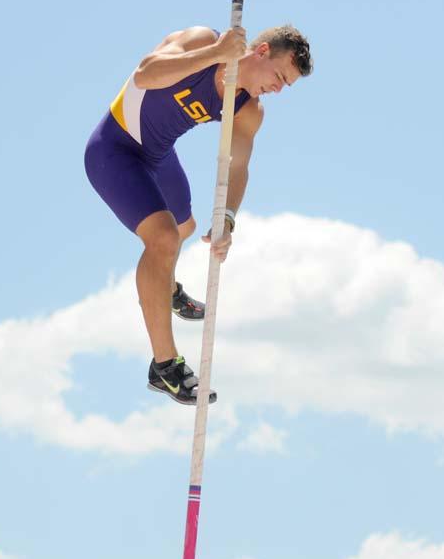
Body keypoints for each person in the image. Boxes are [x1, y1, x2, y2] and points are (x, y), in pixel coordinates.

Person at [84, 24, 313, 405]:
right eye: (279, 76)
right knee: (164, 239)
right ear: (261, 52)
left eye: (286, 85)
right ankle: (165, 366)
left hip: (158, 157)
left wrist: (228, 216)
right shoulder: (203, 41)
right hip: (116, 149)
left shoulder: (249, 109)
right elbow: (146, 73)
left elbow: (238, 166)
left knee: (184, 226)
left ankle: (166, 288)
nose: (278, 89)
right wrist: (216, 54)